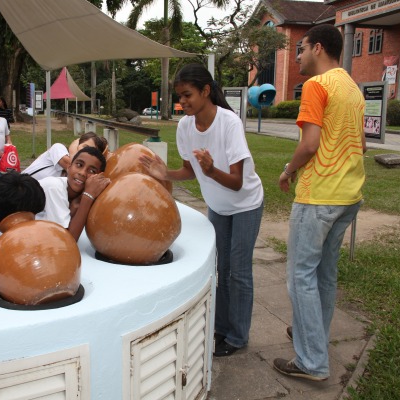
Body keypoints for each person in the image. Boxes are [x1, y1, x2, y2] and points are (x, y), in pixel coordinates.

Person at [140, 63, 264, 357]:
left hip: (246, 204)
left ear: (206, 91)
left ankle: (237, 336)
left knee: (239, 272)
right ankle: (221, 329)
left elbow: (235, 182)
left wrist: (210, 170)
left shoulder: (229, 123)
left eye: (187, 95)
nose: (182, 102)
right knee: (220, 269)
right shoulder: (185, 126)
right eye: (179, 97)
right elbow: (188, 170)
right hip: (218, 208)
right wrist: (164, 174)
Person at [274, 24, 366, 381]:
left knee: (301, 277)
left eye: (302, 48)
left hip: (319, 197)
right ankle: (312, 338)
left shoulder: (316, 85)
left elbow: (310, 144)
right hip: (349, 196)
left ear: (318, 48)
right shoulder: (351, 88)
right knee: (324, 275)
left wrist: (287, 170)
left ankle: (311, 362)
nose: (298, 55)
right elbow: (362, 144)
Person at [35, 146, 110, 242]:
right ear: (69, 167)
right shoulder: (54, 187)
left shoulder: (77, 198)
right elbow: (67, 241)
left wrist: (78, 203)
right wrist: (88, 197)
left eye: (92, 171)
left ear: (98, 178)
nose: (82, 173)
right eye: (79, 165)